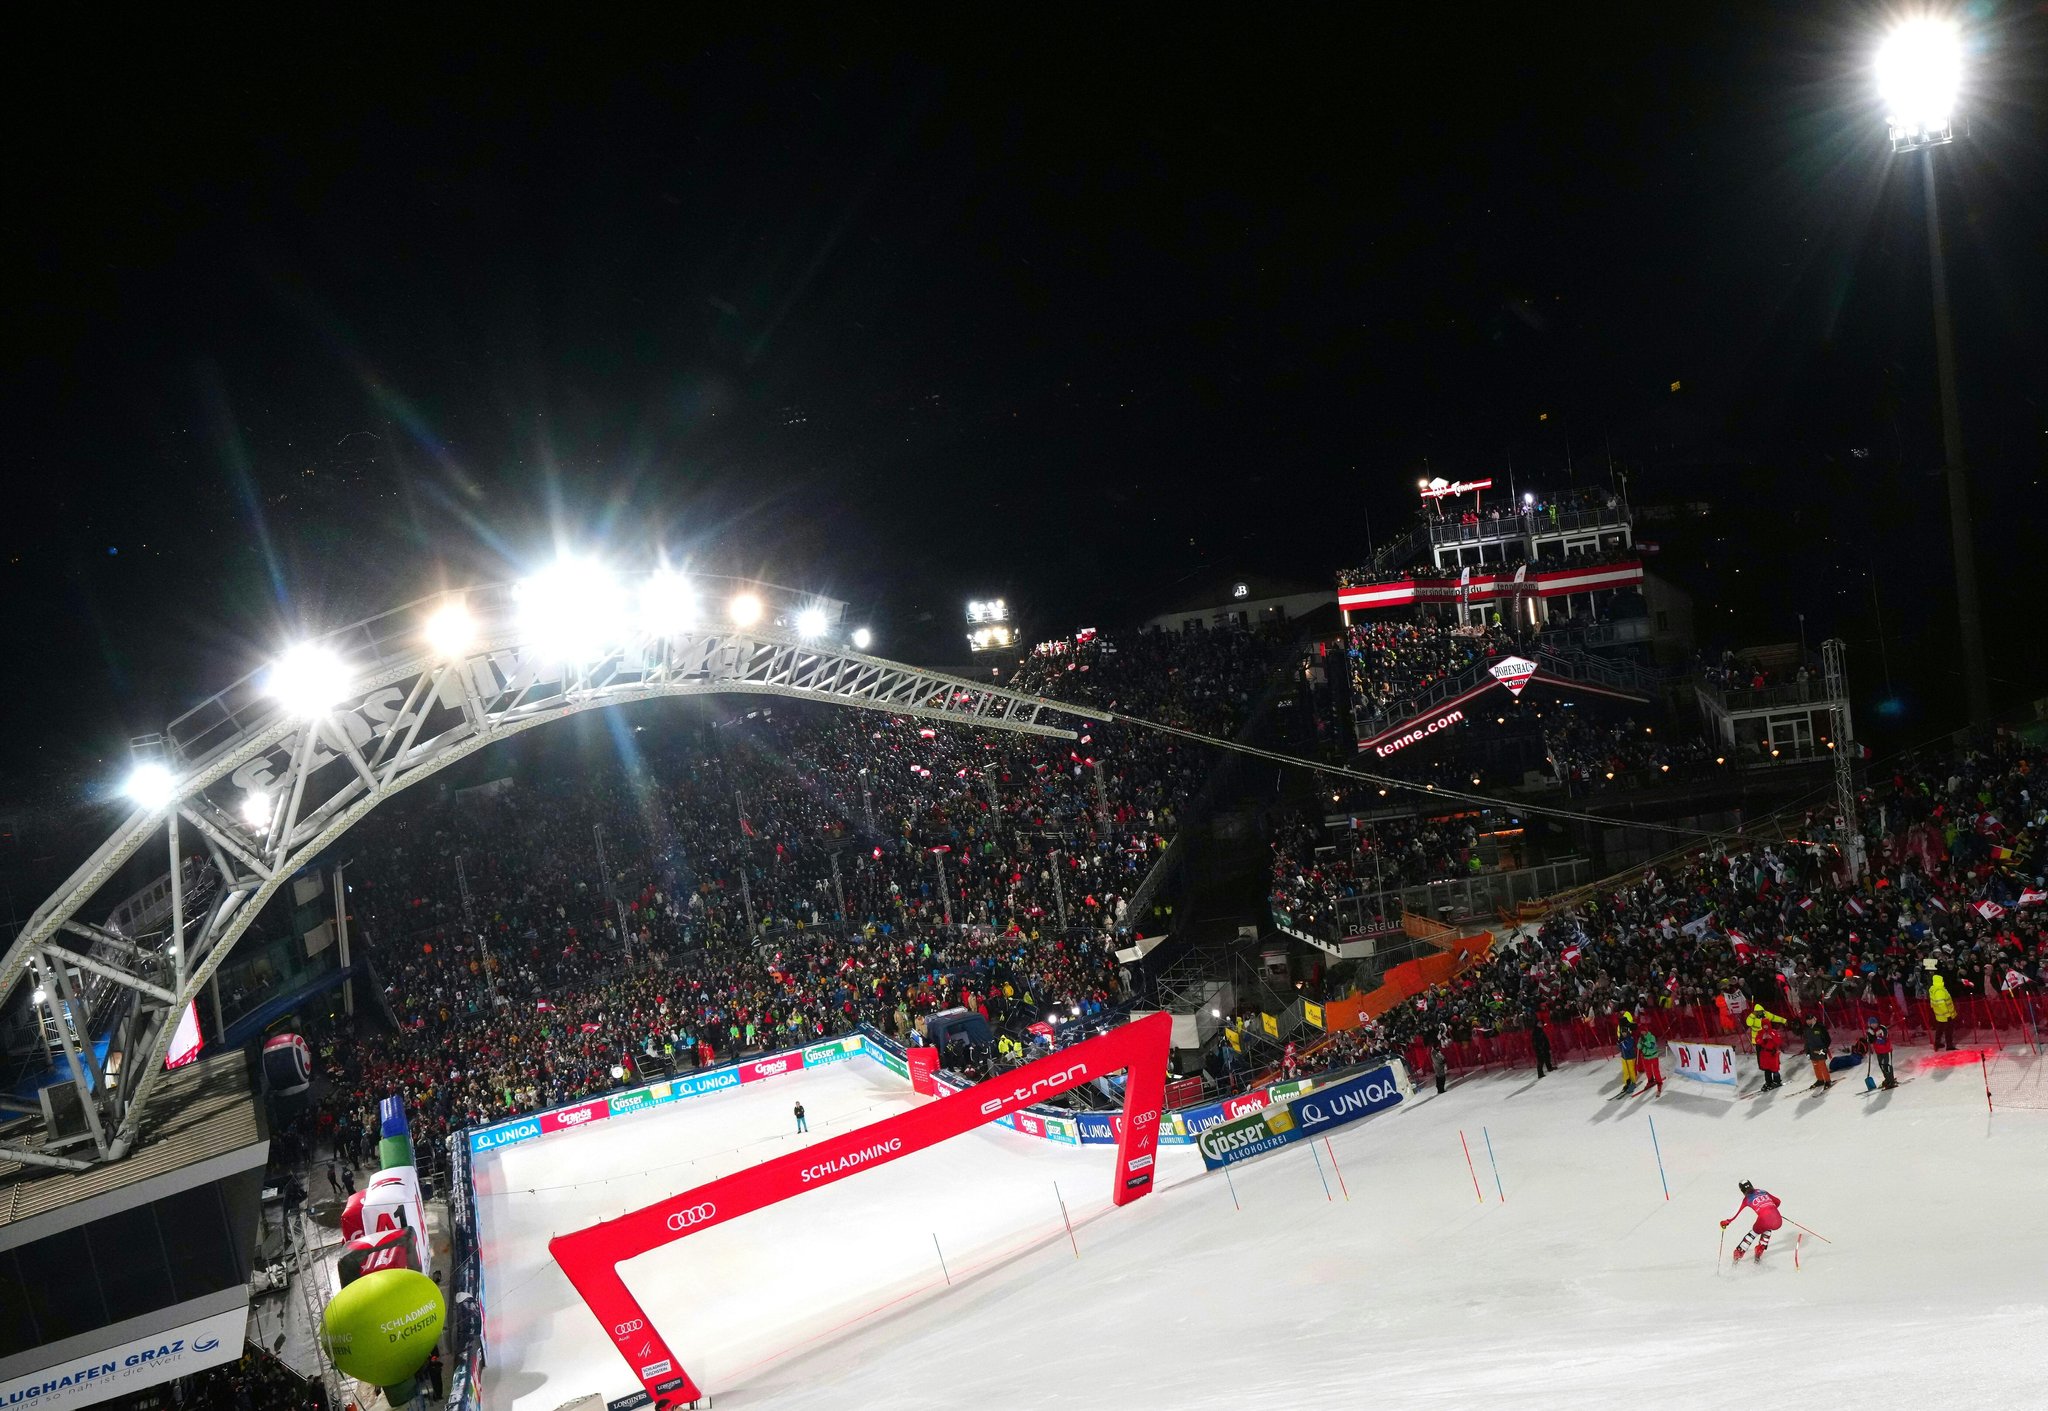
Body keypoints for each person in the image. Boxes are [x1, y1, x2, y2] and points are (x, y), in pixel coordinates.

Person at [1720, 1179, 1785, 1262]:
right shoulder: (1762, 1191)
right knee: (1767, 1226)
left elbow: (1735, 1213)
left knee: (1754, 1232)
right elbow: (1778, 1201)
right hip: (1778, 1221)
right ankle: (1760, 1248)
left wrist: (1726, 1221)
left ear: (1742, 1191)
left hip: (1765, 1220)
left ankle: (1739, 1251)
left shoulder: (1746, 1199)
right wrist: (1770, 1208)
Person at [1929, 968, 1957, 1050]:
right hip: (1945, 1015)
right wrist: (1947, 1014)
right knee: (1948, 1030)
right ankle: (1949, 1045)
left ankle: (1937, 1043)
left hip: (1939, 1014)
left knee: (1940, 1029)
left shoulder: (1933, 989)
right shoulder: (1939, 991)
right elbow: (1941, 1004)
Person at [1864, 1018, 1896, 1089]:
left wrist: (1877, 1035)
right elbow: (1871, 1041)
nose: (1874, 1025)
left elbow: (1882, 1040)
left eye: (1875, 1023)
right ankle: (1887, 1079)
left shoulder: (1882, 1028)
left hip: (1886, 1050)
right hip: (1878, 1052)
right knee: (1881, 1066)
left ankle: (1891, 1081)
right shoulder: (1871, 1031)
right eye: (1872, 1024)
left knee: (1886, 1066)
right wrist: (1869, 1037)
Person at [1803, 1016, 1833, 1090]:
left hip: (1821, 1050)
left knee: (1822, 1065)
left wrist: (1825, 1048)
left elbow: (1828, 1039)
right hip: (1812, 1050)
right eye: (1807, 1020)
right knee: (1815, 1066)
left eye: (1810, 1020)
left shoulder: (1820, 1027)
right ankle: (1820, 1080)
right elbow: (1806, 1041)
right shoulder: (1806, 1029)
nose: (1808, 1022)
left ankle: (1827, 1081)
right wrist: (1807, 1052)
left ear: (1814, 1019)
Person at [1755, 1020, 1783, 1091]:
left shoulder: (1774, 1032)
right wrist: (1762, 1038)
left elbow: (1779, 1041)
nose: (1765, 1027)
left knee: (1775, 1068)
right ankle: (1768, 1082)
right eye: (1764, 1025)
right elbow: (1757, 1041)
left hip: (1773, 1054)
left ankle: (1777, 1081)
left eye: (1766, 1025)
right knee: (1767, 1069)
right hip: (1765, 1054)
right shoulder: (1760, 1033)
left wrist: (1772, 1037)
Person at [1637, 1026, 1665, 1097]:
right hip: (1645, 1057)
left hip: (1653, 1056)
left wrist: (1645, 1042)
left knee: (1656, 1070)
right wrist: (1640, 1043)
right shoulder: (1641, 1037)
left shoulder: (1651, 1037)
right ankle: (1650, 1080)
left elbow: (1652, 1046)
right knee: (1648, 1070)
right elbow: (1638, 1047)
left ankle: (1659, 1082)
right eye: (1641, 1031)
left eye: (1643, 1031)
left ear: (1646, 1031)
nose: (1642, 1032)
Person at [1616, 1014, 1640, 1095]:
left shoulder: (1630, 1038)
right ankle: (1627, 1082)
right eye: (1622, 1033)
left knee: (1631, 1070)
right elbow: (1620, 1047)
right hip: (1624, 1057)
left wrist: (1622, 1043)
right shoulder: (1622, 1038)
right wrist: (1619, 1043)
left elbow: (1627, 1047)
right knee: (1625, 1071)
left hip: (1630, 1057)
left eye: (1625, 1032)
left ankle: (1633, 1082)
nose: (1624, 1034)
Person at [1528, 1011, 1553, 1079]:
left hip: (1544, 1046)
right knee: (1541, 1060)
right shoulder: (1535, 1031)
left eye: (1541, 1023)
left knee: (1547, 1057)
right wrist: (1539, 1047)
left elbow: (1545, 1039)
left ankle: (1549, 1067)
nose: (1541, 1024)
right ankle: (1540, 1073)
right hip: (1539, 1048)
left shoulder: (1541, 1030)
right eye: (1539, 1023)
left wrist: (1547, 1046)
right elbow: (1535, 1041)